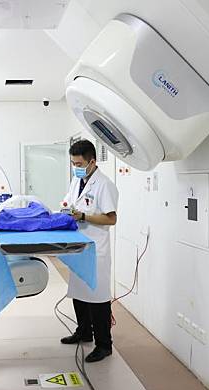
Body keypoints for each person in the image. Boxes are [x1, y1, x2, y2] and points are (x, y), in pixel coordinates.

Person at [60, 139, 119, 363]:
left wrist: (83, 216)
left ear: (92, 161)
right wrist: (66, 208)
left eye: (79, 163)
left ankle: (104, 345)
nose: (75, 166)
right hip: (78, 246)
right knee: (79, 292)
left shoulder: (104, 184)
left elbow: (111, 218)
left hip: (95, 249)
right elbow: (69, 202)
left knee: (97, 298)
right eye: (73, 163)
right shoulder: (78, 180)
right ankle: (84, 333)